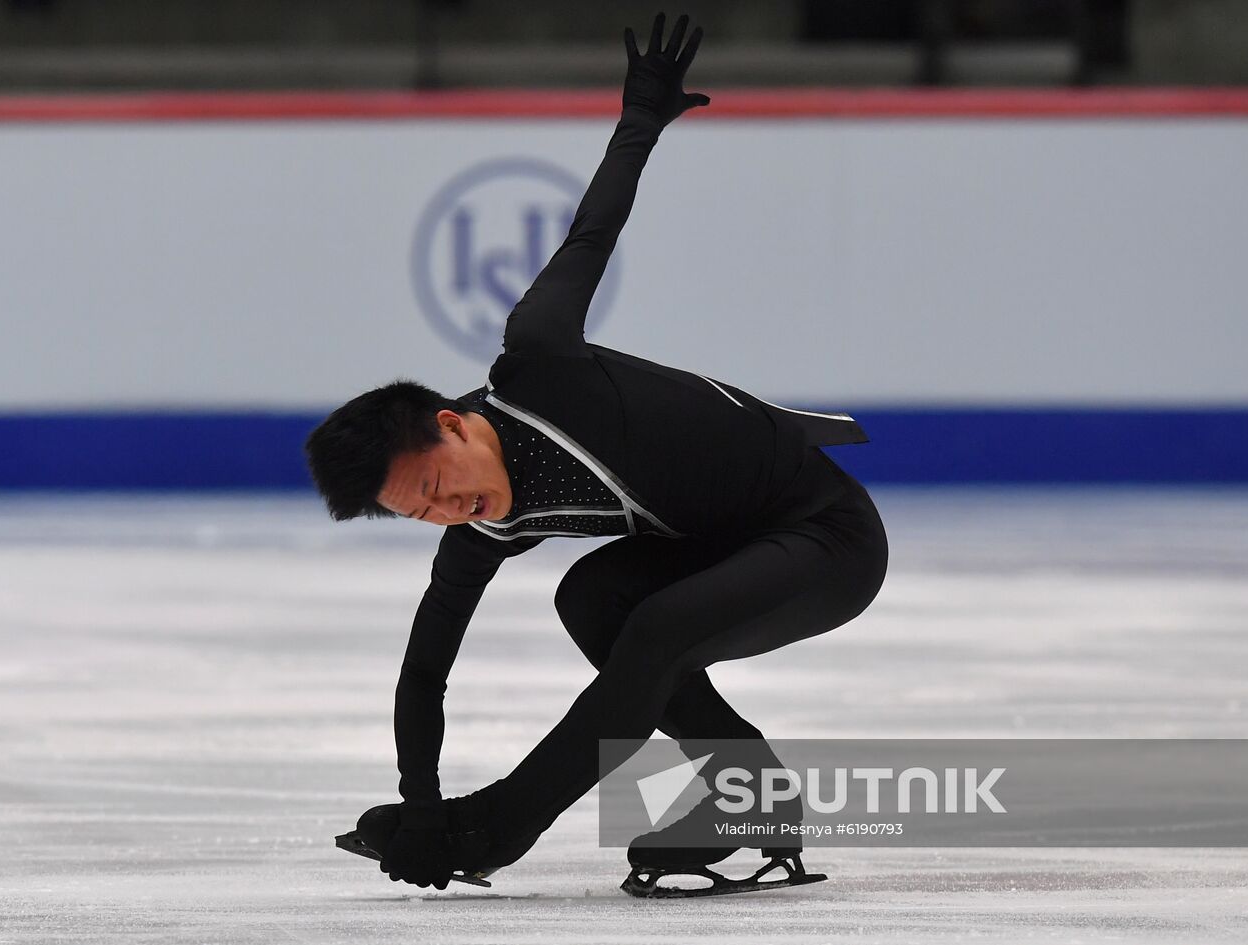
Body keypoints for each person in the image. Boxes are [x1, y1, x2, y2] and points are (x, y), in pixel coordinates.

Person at [305, 13, 887, 892]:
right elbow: (425, 668)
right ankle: (753, 790)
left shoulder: (538, 364)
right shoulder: (480, 528)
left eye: (434, 484)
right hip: (727, 544)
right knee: (593, 596)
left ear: (453, 425)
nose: (446, 512)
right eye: (417, 512)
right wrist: (420, 805)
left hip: (826, 538)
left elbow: (590, 236)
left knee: (650, 625)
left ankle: (503, 826)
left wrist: (640, 124)